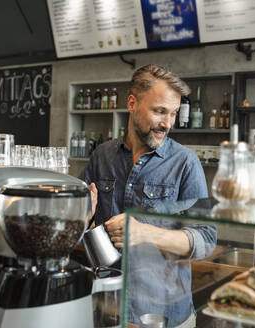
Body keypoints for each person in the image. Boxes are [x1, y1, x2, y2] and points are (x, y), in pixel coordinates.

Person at [80, 64, 217, 327]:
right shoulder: (102, 156)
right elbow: (83, 223)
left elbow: (206, 240)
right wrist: (82, 217)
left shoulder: (185, 163)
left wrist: (145, 233)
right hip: (108, 308)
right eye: (159, 111)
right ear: (132, 103)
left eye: (174, 113)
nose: (167, 123)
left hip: (163, 314)